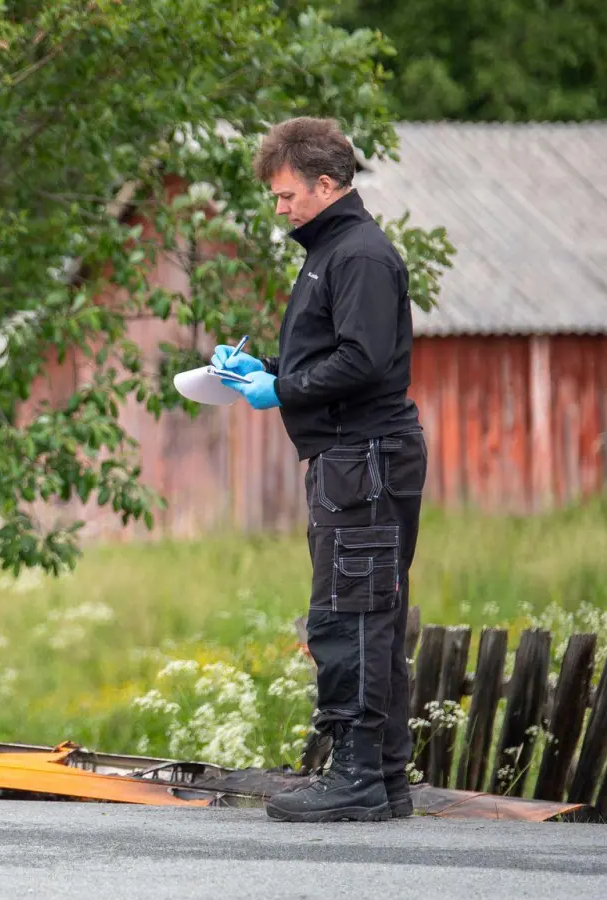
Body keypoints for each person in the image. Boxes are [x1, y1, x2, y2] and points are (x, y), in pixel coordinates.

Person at [213, 117, 429, 823]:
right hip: (349, 458)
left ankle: (359, 778)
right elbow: (333, 358)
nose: (279, 210)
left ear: (327, 184)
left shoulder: (358, 255)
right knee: (365, 612)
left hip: (362, 459)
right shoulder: (329, 253)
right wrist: (266, 371)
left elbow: (363, 362)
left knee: (350, 616)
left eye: (285, 196)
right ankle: (385, 779)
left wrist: (285, 389)